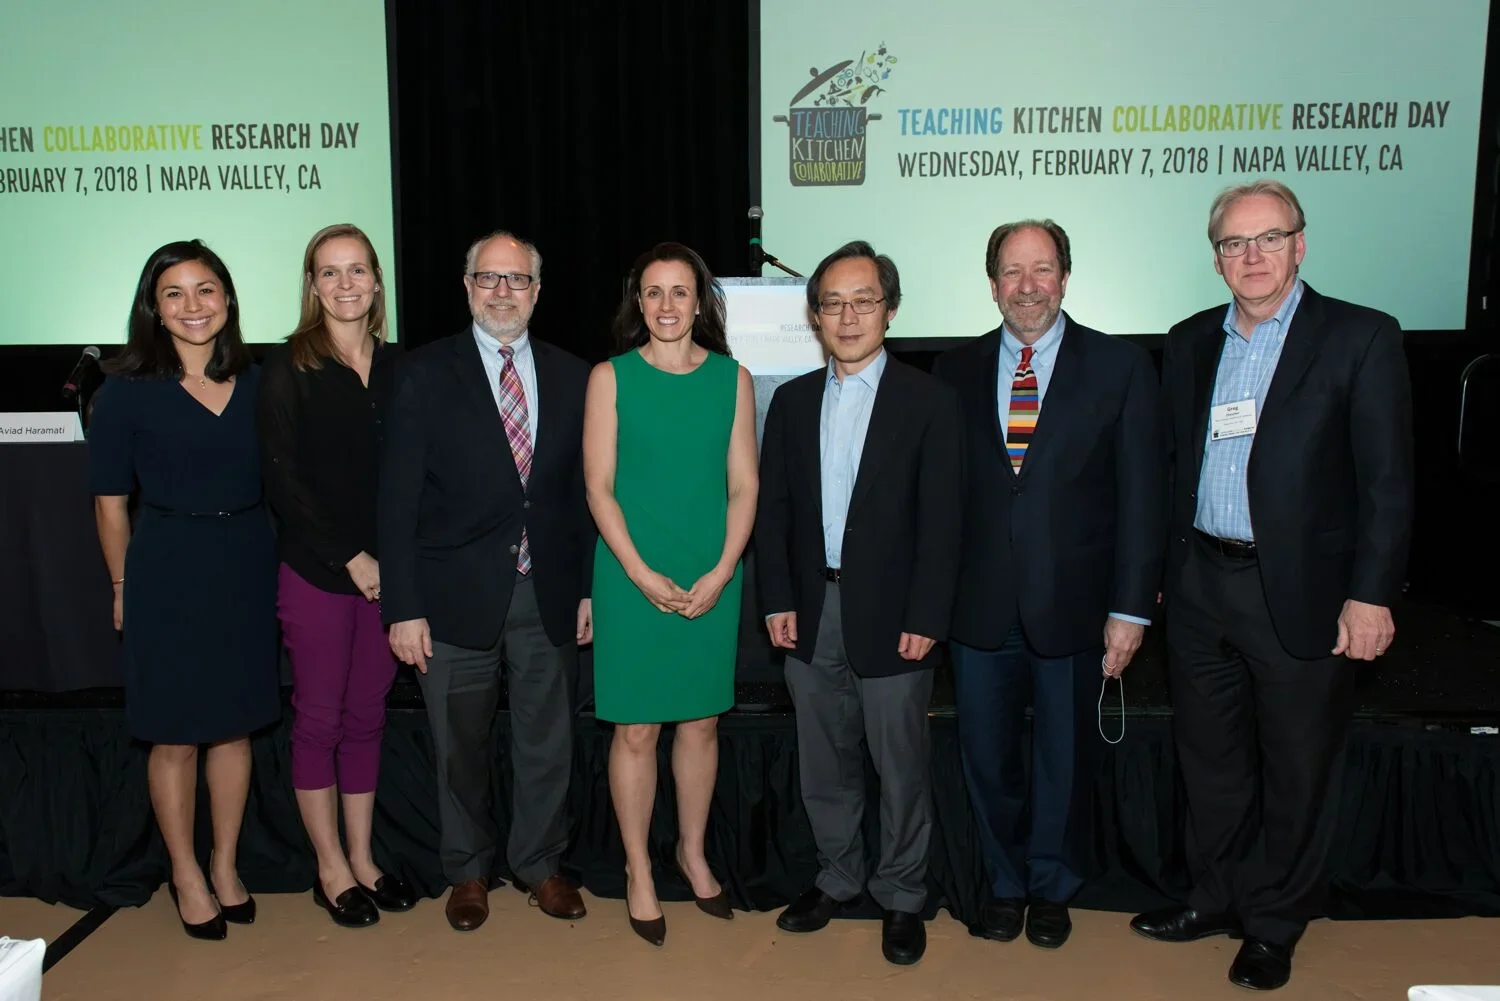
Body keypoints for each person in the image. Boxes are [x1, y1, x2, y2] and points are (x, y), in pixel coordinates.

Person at [1134, 180, 1415, 991]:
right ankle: (1215, 896)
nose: (1250, 256)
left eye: (1268, 238)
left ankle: (1274, 921)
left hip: (1304, 595)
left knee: (1297, 766)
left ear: (1300, 244)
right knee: (1210, 762)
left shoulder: (1360, 337)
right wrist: (1162, 574)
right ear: (1216, 257)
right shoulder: (1190, 341)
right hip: (1199, 588)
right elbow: (1173, 466)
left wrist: (1372, 594)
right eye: (1233, 243)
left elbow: (1388, 482)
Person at [933, 219, 1162, 949]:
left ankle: (1052, 882)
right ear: (992, 281)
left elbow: (1142, 498)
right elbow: (944, 501)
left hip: (1077, 608)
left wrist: (1130, 608)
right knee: (987, 757)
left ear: (1065, 275)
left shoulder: (1120, 367)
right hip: (980, 609)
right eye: (1011, 271)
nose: (1026, 285)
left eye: (1041, 269)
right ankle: (1004, 881)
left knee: (1065, 758)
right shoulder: (955, 371)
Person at [755, 240, 963, 966]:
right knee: (825, 761)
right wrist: (777, 598)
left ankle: (903, 893)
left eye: (863, 299)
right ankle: (838, 877)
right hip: (812, 612)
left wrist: (928, 616)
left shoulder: (931, 402)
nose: (848, 315)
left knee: (900, 764)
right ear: (815, 317)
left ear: (890, 309)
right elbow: (774, 512)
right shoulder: (791, 401)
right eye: (833, 303)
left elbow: (944, 522)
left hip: (896, 616)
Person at [379, 231, 594, 932]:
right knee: (458, 746)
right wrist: (403, 607)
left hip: (549, 590)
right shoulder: (422, 373)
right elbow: (397, 500)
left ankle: (539, 863)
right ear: (467, 287)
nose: (503, 292)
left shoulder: (575, 375)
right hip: (451, 597)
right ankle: (467, 870)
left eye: (517, 280)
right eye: (489, 279)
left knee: (547, 740)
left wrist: (588, 586)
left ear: (537, 291)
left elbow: (586, 494)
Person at [90, 240, 281, 941]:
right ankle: (185, 871)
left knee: (234, 725)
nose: (193, 305)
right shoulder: (122, 392)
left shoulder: (264, 381)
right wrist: (120, 583)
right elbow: (111, 504)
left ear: (228, 299)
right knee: (174, 735)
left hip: (246, 562)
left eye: (206, 289)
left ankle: (225, 863)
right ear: (154, 308)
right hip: (166, 566)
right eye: (174, 293)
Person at [583, 243, 758, 947]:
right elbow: (597, 487)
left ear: (701, 302)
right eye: (652, 292)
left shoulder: (732, 379)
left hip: (712, 570)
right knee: (636, 729)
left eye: (679, 292)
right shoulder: (610, 377)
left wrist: (721, 569)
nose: (665, 306)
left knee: (703, 723)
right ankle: (638, 869)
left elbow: (744, 483)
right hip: (632, 575)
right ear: (638, 302)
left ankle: (691, 851)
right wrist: (638, 572)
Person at [258, 223, 415, 928]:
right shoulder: (289, 368)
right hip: (321, 573)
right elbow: (283, 480)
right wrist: (352, 557)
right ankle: (328, 867)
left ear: (377, 281)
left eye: (357, 271)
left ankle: (362, 856)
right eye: (330, 272)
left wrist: (394, 564)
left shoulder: (401, 367)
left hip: (390, 580)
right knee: (319, 718)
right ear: (312, 285)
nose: (345, 284)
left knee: (368, 715)